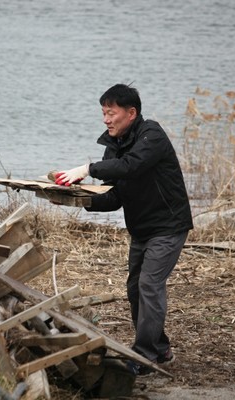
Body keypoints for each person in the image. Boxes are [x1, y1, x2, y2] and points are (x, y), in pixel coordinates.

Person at [54, 83, 193, 374]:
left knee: (149, 285)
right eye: (103, 113)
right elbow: (114, 197)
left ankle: (144, 356)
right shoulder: (113, 146)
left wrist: (87, 169)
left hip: (168, 226)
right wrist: (78, 200)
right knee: (135, 289)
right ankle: (160, 348)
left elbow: (130, 166)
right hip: (141, 229)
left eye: (111, 113)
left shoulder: (151, 135)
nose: (106, 119)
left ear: (131, 113)